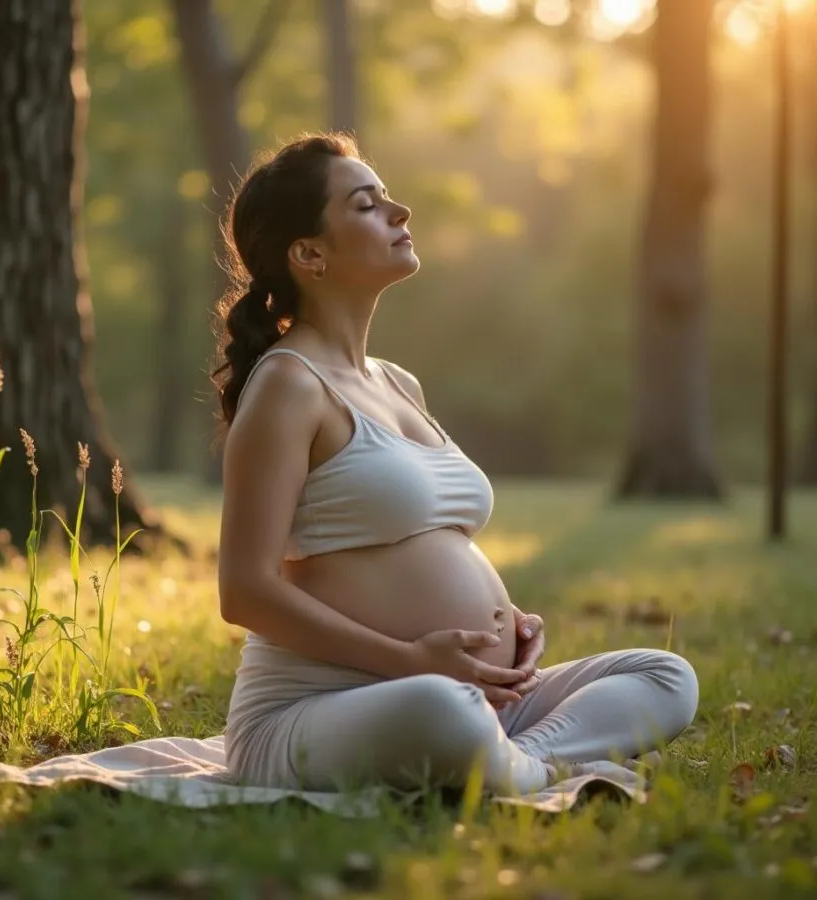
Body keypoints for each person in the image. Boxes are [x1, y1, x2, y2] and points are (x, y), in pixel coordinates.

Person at [212, 132, 699, 796]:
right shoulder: (288, 385)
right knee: (442, 710)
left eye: (386, 196)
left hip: (472, 694)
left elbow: (426, 547)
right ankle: (529, 763)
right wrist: (411, 661)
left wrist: (507, 623)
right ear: (309, 254)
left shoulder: (398, 383)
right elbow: (244, 592)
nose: (399, 211)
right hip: (323, 710)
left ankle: (519, 759)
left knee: (666, 677)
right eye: (366, 204)